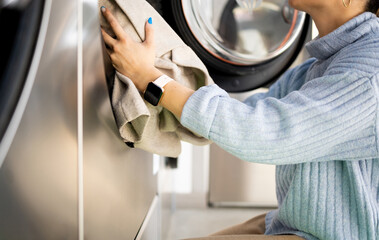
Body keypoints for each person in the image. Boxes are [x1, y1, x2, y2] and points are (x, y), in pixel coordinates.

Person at [100, 0, 379, 239]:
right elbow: (240, 115)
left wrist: (152, 80)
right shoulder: (321, 65)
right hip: (294, 223)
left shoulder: (368, 72)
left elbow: (263, 132)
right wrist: (158, 73)